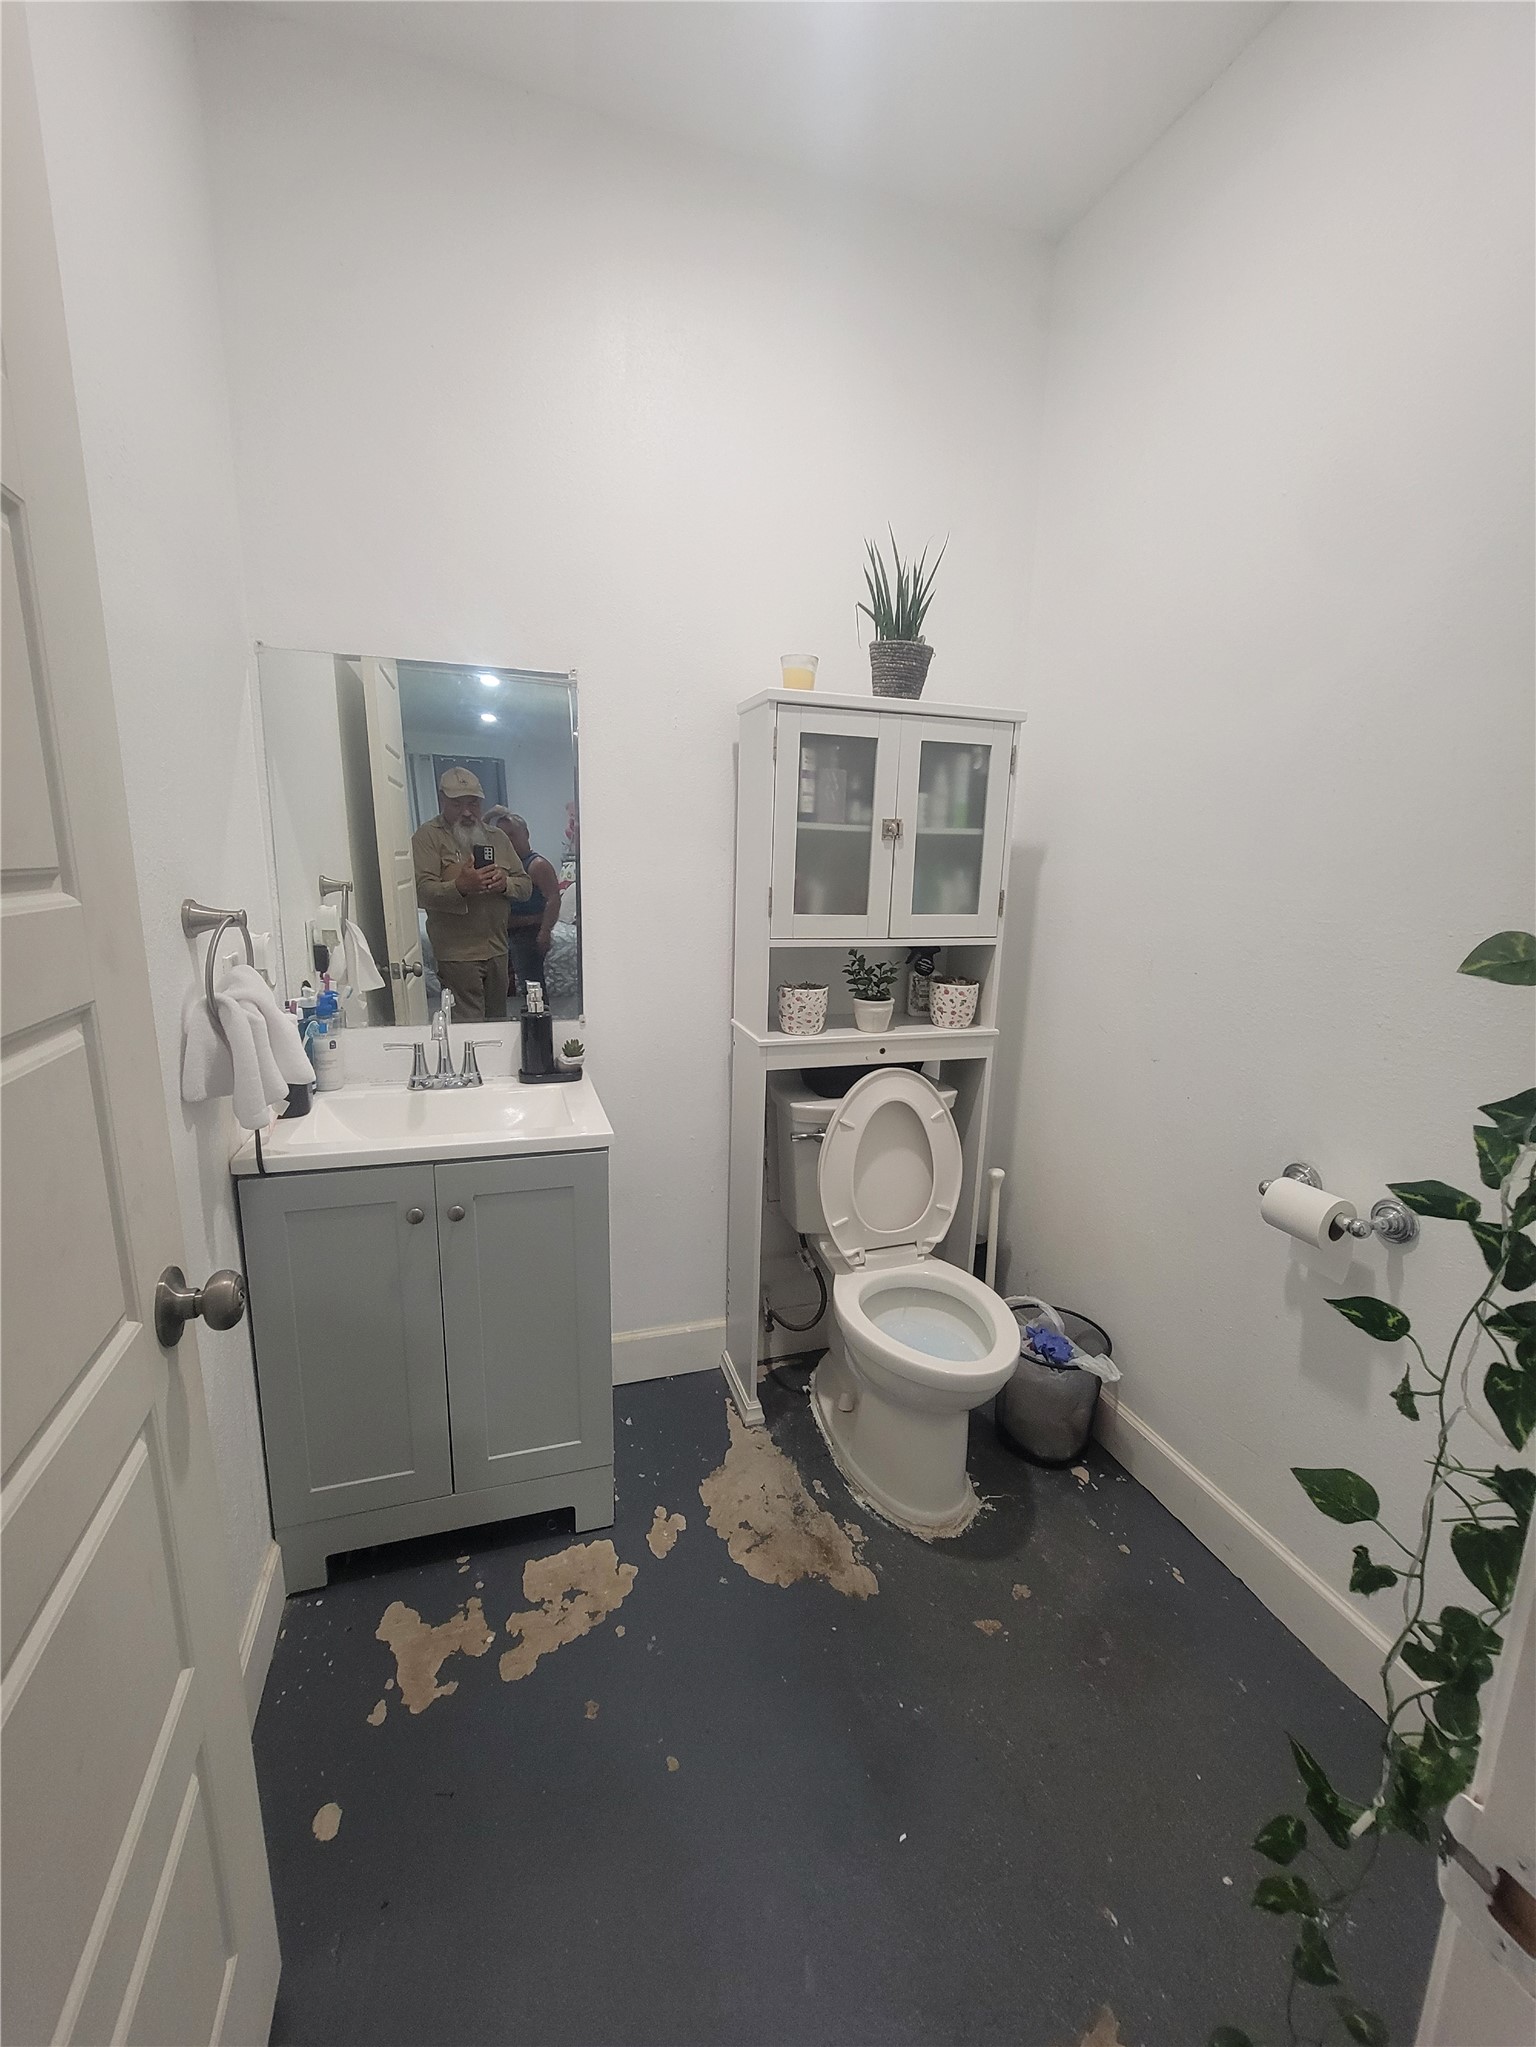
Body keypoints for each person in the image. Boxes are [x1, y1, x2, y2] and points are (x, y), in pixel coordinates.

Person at [411, 768, 530, 1019]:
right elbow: (422, 892)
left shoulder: (497, 837)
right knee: (469, 1029)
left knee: (498, 1024)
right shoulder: (427, 837)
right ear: (442, 800)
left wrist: (505, 883)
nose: (467, 812)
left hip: (498, 950)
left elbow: (525, 885)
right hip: (457, 956)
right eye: (457, 804)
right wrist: (460, 886)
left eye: (473, 803)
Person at [485, 808, 562, 1009]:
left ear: (525, 834)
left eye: (512, 834)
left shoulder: (537, 865)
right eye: (503, 836)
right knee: (505, 984)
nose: (508, 840)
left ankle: (540, 1025)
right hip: (506, 934)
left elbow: (553, 898)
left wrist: (545, 932)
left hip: (527, 935)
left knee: (532, 986)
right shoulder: (508, 864)